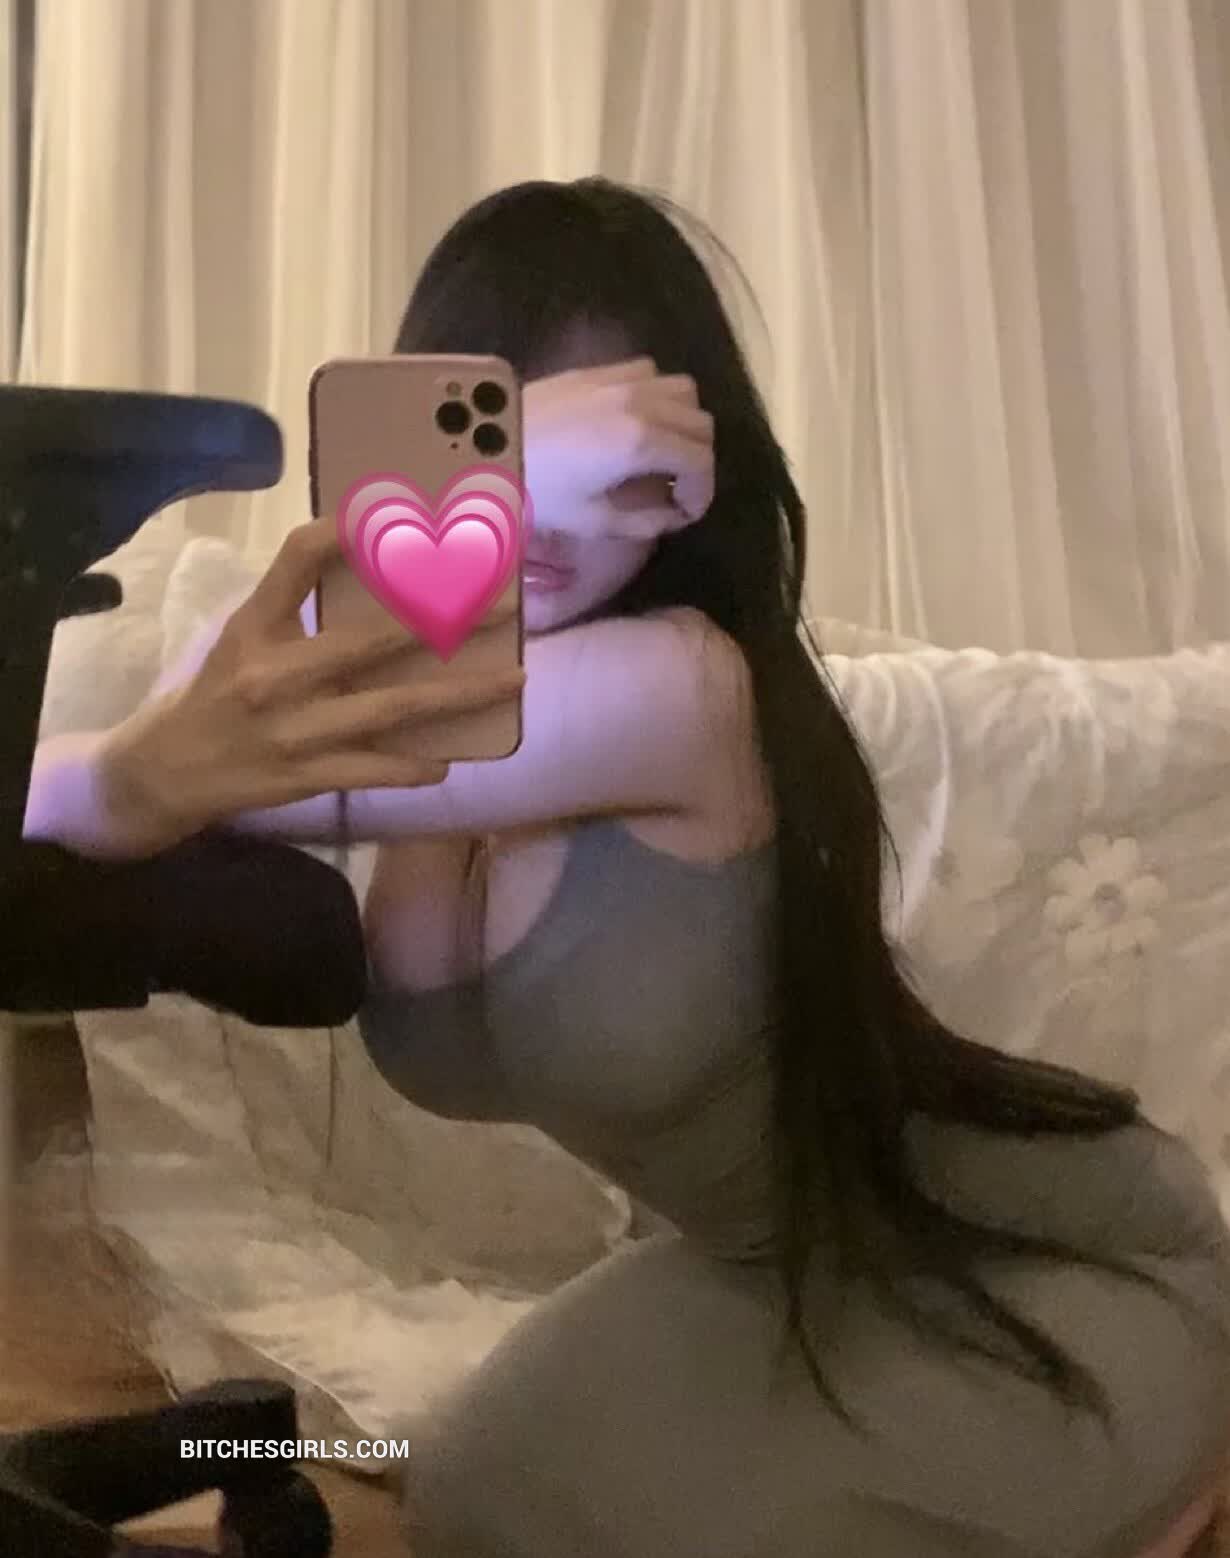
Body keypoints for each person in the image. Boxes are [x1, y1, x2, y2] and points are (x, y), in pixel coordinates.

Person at [24, 178, 1230, 1558]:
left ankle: (1156, 1448)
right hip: (765, 1263)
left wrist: (484, 477)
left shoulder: (677, 687)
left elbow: (184, 760)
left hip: (1053, 1258)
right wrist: (494, 486)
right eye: (496, 427)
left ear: (687, 477)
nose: (546, 518)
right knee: (474, 1493)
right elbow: (170, 736)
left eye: (603, 455)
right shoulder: (448, 698)